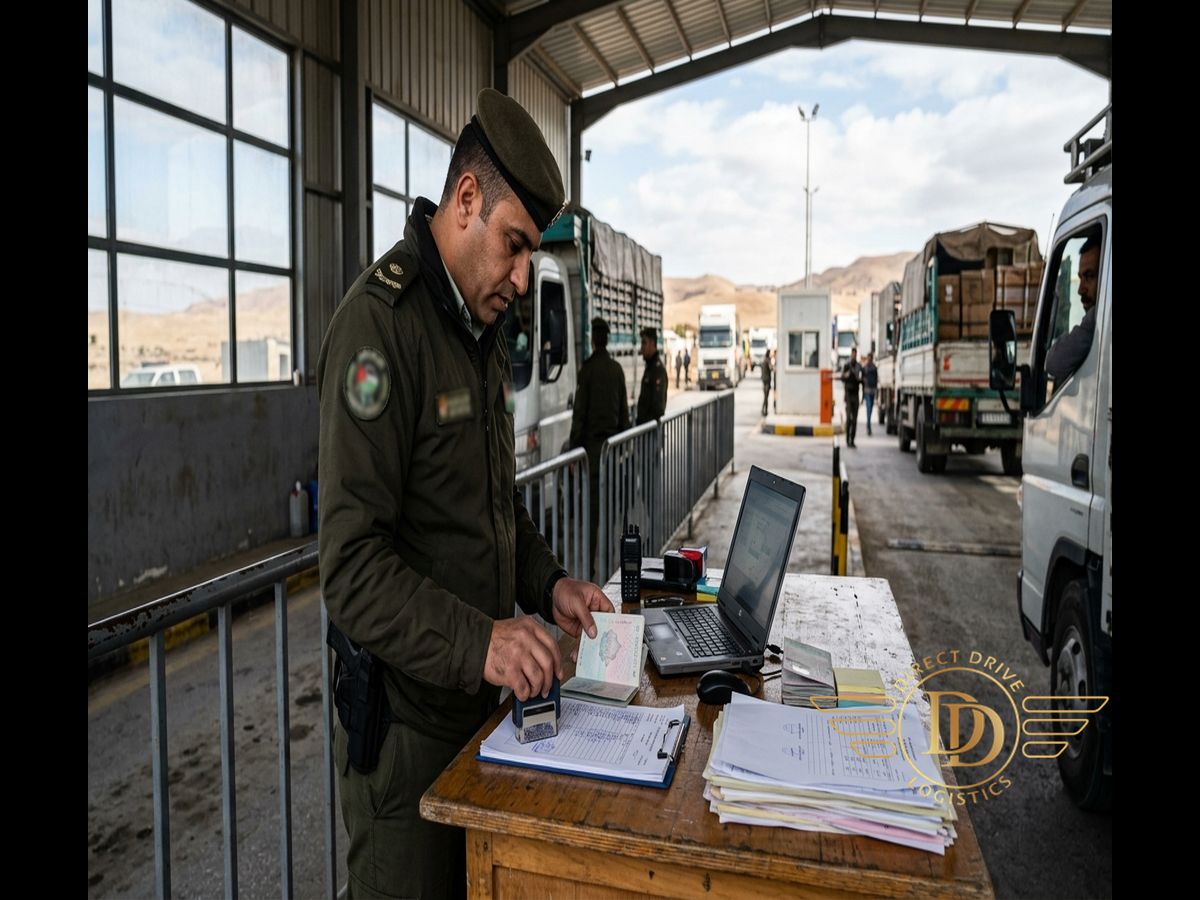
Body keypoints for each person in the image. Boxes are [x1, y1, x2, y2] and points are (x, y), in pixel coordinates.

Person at [317, 88, 614, 899]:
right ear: (467, 198)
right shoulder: (381, 327)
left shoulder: (478, 333)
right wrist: (484, 642)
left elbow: (493, 504)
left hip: (477, 714)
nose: (521, 278)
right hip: (407, 733)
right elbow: (350, 567)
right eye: (515, 247)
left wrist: (549, 584)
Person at [569, 317, 630, 571]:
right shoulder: (617, 370)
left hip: (593, 455)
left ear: (593, 339)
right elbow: (625, 415)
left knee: (592, 516)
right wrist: (624, 448)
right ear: (607, 339)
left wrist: (574, 449)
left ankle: (592, 568)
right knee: (610, 514)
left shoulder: (587, 370)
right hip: (612, 453)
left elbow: (579, 414)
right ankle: (609, 563)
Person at [1045, 235, 1100, 387]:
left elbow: (1054, 362)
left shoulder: (1098, 319)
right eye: (1080, 278)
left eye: (1089, 276)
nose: (1080, 290)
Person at [636, 326, 668, 425]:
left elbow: (658, 408)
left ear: (652, 344)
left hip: (650, 429)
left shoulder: (658, 370)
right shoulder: (650, 368)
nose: (641, 348)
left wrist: (646, 425)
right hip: (645, 428)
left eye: (644, 343)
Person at [840, 346, 863, 447]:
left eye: (855, 354)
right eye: (853, 354)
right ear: (851, 354)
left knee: (854, 420)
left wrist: (859, 379)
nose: (854, 355)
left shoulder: (859, 366)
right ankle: (847, 439)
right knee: (849, 418)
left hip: (856, 395)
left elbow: (863, 380)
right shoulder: (847, 365)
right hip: (848, 395)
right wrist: (846, 375)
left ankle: (852, 440)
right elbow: (842, 377)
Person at [862, 352, 878, 437]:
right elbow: (862, 380)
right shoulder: (865, 368)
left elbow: (876, 380)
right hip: (867, 392)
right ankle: (868, 427)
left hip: (872, 391)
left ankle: (868, 425)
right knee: (868, 409)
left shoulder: (874, 368)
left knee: (870, 409)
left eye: (870, 358)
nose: (869, 359)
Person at [760, 348, 774, 417]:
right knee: (766, 396)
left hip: (763, 380)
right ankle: (764, 410)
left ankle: (764, 410)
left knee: (765, 396)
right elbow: (771, 368)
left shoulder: (763, 360)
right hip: (767, 380)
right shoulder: (768, 360)